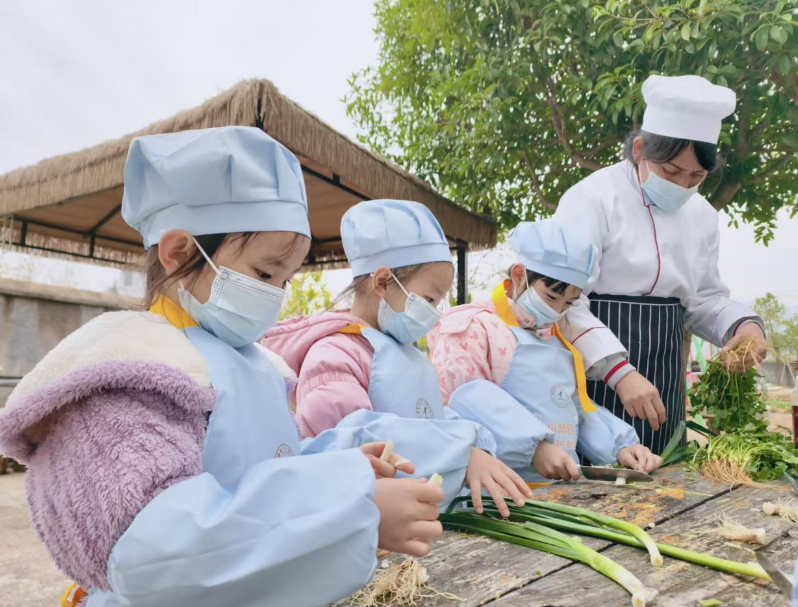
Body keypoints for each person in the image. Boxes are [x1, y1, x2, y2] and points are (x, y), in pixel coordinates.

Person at [0, 127, 445, 607]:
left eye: (285, 280)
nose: (276, 294)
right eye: (264, 273)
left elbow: (261, 467)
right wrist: (347, 508)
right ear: (179, 252)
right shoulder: (132, 370)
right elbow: (154, 548)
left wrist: (341, 465)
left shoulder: (258, 364)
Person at [263, 199, 531, 515]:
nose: (433, 312)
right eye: (428, 299)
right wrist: (458, 451)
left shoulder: (409, 355)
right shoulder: (335, 353)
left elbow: (434, 418)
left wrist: (475, 445)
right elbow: (348, 438)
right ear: (382, 282)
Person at [554, 74, 766, 454]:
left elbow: (703, 299)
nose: (683, 185)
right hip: (593, 375)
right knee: (597, 470)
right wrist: (619, 371)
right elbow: (563, 300)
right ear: (639, 149)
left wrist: (744, 326)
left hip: (665, 381)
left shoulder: (702, 215)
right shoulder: (592, 198)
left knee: (666, 474)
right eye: (671, 171)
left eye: (696, 176)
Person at [428, 220, 663, 483]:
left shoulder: (555, 334)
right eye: (551, 297)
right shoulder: (473, 328)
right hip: (499, 493)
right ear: (519, 275)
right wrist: (534, 447)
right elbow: (462, 407)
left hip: (560, 491)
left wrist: (621, 446)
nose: (556, 310)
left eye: (569, 303)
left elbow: (572, 408)